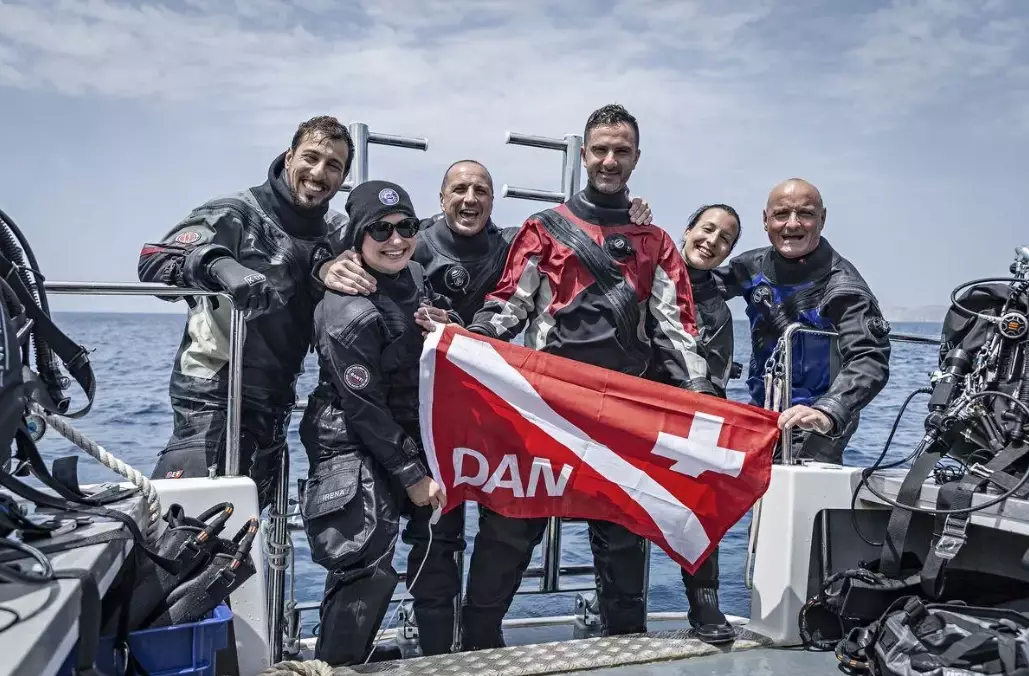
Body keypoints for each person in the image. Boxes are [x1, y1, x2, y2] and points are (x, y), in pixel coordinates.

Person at [315, 158, 653, 655]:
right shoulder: (397, 258)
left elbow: (573, 235)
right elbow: (333, 247)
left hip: (450, 421)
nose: (469, 198)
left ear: (493, 200)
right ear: (442, 197)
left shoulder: (497, 246)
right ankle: (343, 659)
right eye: (459, 189)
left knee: (448, 538)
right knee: (367, 555)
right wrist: (325, 263)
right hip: (379, 429)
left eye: (481, 190)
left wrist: (628, 213)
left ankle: (453, 651)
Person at [462, 103, 716, 649]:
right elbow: (509, 304)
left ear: (636, 159)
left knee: (624, 548)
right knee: (506, 532)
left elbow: (676, 331)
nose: (609, 159)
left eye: (621, 151)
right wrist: (466, 341)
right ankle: (475, 647)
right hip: (543, 413)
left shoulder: (657, 242)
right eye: (599, 149)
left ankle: (623, 649)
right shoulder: (541, 229)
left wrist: (702, 397)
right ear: (583, 155)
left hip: (622, 422)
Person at [137, 116, 352, 508]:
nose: (319, 172)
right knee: (186, 521)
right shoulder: (234, 212)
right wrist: (218, 264)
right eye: (311, 157)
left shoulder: (338, 232)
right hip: (212, 395)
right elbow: (154, 259)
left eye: (333, 165)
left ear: (342, 178)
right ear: (289, 158)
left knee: (244, 527)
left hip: (276, 401)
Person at [299, 180, 457, 666]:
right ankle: (336, 663)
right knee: (363, 565)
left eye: (406, 226)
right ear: (357, 236)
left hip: (408, 431)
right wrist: (411, 476)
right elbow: (362, 405)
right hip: (353, 438)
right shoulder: (347, 306)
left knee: (436, 552)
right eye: (380, 230)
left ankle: (421, 656)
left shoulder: (411, 274)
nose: (395, 239)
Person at [713, 178, 892, 464]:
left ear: (822, 219)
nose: (792, 224)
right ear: (765, 220)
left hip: (817, 423)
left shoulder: (845, 287)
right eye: (781, 214)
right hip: (762, 413)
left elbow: (869, 358)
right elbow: (692, 285)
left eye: (805, 214)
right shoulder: (750, 267)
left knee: (797, 497)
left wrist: (829, 410)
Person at [666, 203, 744, 645]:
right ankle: (621, 613)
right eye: (707, 229)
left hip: (690, 419)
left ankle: (704, 597)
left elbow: (715, 382)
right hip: (636, 410)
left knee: (703, 504)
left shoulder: (719, 310)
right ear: (687, 230)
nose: (712, 241)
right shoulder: (647, 268)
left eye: (725, 239)